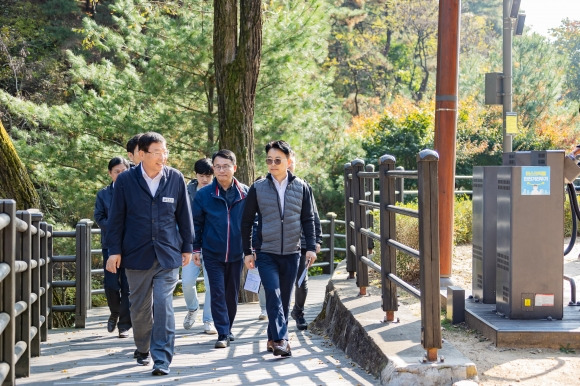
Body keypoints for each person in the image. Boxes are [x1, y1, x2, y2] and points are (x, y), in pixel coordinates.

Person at [106, 132, 193, 376]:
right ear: (141, 154)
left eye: (165, 152)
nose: (162, 157)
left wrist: (187, 246)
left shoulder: (175, 178)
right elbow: (116, 219)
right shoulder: (125, 181)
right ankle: (143, 347)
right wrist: (114, 251)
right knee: (140, 309)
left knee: (164, 304)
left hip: (167, 253)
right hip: (136, 254)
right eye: (157, 152)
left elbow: (184, 215)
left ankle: (163, 358)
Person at [241, 140, 316, 357]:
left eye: (277, 160)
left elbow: (308, 219)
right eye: (269, 160)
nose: (272, 164)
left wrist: (310, 247)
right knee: (273, 295)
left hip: (292, 252)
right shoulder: (258, 188)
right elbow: (246, 222)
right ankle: (282, 340)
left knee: (283, 299)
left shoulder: (302, 187)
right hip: (266, 252)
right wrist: (247, 251)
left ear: (288, 161)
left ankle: (271, 338)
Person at [192, 149, 249, 349]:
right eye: (218, 166)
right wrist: (196, 249)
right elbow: (196, 224)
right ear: (213, 168)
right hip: (212, 252)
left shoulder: (245, 193)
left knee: (231, 294)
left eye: (226, 166)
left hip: (236, 253)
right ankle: (222, 333)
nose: (221, 170)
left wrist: (251, 250)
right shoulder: (204, 195)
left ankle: (228, 328)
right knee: (216, 292)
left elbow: (253, 223)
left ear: (234, 168)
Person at [94, 156, 132, 338]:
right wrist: (115, 226)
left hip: (130, 245)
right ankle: (115, 312)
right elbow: (99, 217)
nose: (120, 174)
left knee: (127, 286)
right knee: (110, 284)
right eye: (117, 172)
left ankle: (124, 325)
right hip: (110, 245)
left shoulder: (134, 192)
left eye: (123, 171)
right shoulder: (103, 194)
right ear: (110, 173)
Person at [288, 150, 323, 330]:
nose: (287, 166)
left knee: (301, 281)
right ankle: (279, 315)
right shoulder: (265, 186)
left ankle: (298, 312)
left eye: (290, 162)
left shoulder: (303, 186)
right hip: (279, 243)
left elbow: (313, 215)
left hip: (301, 242)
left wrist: (317, 240)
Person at [182, 158, 217, 334]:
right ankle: (192, 308)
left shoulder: (217, 190)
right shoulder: (187, 191)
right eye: (202, 175)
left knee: (211, 285)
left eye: (208, 176)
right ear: (196, 175)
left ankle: (208, 320)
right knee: (187, 282)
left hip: (211, 245)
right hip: (189, 244)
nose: (205, 179)